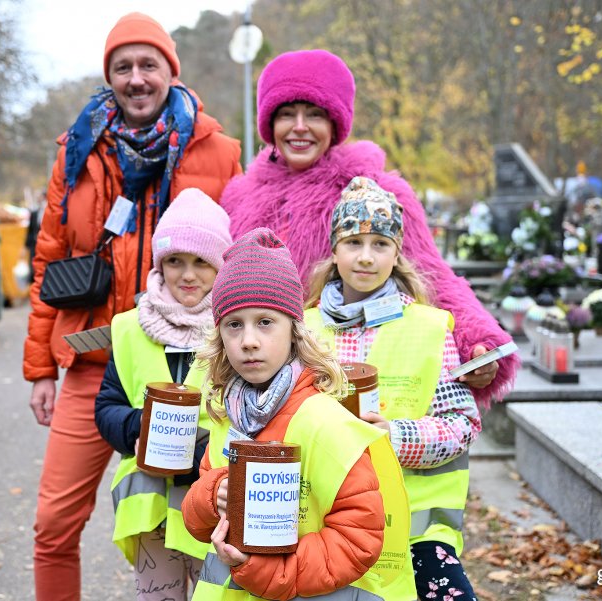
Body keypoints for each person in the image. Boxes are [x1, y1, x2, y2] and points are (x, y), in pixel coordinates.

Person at [22, 12, 241, 600]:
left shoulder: (217, 151)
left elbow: (241, 258)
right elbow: (48, 260)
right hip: (94, 361)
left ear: (171, 70)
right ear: (109, 76)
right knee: (53, 525)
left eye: (149, 64)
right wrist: (41, 367)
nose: (137, 78)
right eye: (123, 67)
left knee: (203, 528)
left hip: (188, 367)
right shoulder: (78, 150)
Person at [219, 49, 518, 407]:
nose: (300, 126)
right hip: (258, 385)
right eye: (287, 114)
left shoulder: (375, 191)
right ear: (270, 123)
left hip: (344, 380)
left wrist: (477, 340)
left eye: (314, 114)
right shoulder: (240, 197)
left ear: (335, 123)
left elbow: (432, 275)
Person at [181, 228, 415, 601]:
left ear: (294, 331)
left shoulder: (328, 424)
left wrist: (265, 570)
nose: (249, 341)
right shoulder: (228, 416)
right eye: (234, 325)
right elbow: (195, 517)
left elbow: (359, 538)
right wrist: (212, 495)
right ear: (220, 337)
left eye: (266, 322)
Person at [305, 176, 482, 601]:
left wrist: (394, 437)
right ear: (334, 249)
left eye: (380, 245)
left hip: (415, 531)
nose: (366, 258)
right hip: (326, 523)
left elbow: (463, 424)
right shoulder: (303, 330)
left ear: (397, 251)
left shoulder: (428, 327)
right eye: (354, 243)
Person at [94, 189, 232, 601]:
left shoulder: (237, 328)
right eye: (175, 261)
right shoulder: (130, 328)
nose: (187, 275)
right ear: (160, 264)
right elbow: (106, 407)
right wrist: (138, 426)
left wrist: (203, 450)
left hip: (214, 507)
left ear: (220, 266)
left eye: (201, 263)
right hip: (151, 511)